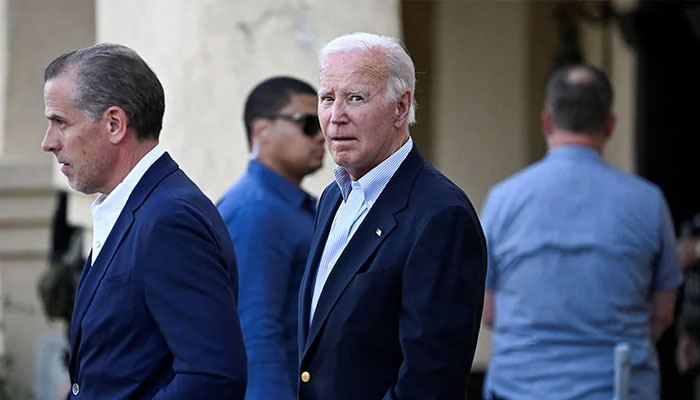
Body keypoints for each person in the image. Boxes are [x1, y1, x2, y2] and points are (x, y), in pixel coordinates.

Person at [41, 43, 246, 399]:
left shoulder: (170, 219)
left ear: (115, 124)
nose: (48, 142)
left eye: (61, 122)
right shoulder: (130, 207)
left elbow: (213, 377)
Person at [297, 32, 487, 400]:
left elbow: (430, 382)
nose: (336, 118)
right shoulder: (333, 198)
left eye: (355, 98)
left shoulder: (441, 215)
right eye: (326, 98)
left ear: (401, 107)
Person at [481, 64, 683, 400]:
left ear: (547, 121)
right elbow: (663, 314)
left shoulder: (503, 200)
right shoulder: (648, 202)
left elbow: (487, 310)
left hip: (519, 389)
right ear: (610, 124)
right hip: (618, 389)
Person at [217, 77, 324, 400]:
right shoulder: (257, 210)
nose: (322, 135)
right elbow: (254, 330)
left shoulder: (291, 205)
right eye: (308, 123)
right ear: (261, 130)